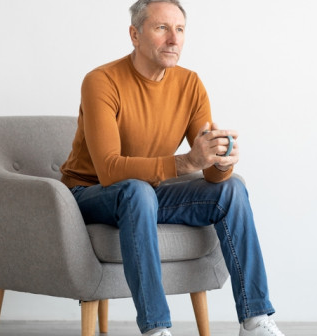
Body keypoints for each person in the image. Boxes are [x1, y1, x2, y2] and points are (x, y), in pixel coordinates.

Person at [59, 1, 285, 335]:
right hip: (88, 195)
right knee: (136, 190)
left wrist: (220, 159)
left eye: (179, 30)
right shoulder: (101, 81)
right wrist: (187, 162)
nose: (173, 40)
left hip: (147, 194)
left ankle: (254, 320)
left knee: (232, 187)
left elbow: (208, 171)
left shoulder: (190, 84)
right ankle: (156, 328)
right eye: (162, 28)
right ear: (135, 34)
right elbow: (108, 170)